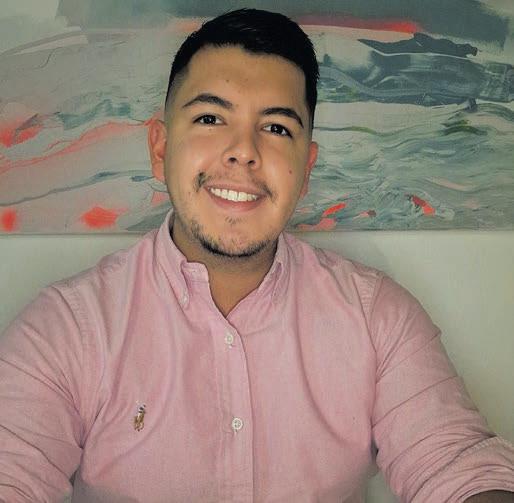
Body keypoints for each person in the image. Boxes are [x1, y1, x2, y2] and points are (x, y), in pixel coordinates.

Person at [0, 8, 513, 503]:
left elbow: (456, 465)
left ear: (306, 168)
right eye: (210, 117)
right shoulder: (66, 330)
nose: (243, 151)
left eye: (276, 128)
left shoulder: (377, 317)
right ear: (160, 148)